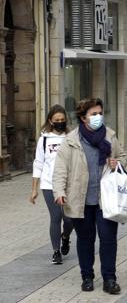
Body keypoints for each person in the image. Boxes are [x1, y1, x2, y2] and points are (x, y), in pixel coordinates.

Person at [53, 98, 126, 295]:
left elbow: (122, 156)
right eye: (94, 114)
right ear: (83, 117)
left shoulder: (110, 136)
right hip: (80, 199)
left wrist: (116, 163)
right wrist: (59, 192)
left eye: (100, 113)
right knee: (85, 240)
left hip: (106, 199)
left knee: (108, 238)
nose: (98, 117)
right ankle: (87, 276)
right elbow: (60, 170)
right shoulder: (71, 141)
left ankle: (110, 278)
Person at [30, 105, 73, 265]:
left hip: (69, 184)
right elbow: (38, 163)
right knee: (56, 217)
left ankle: (66, 236)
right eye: (57, 120)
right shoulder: (44, 139)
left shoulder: (71, 137)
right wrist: (34, 189)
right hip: (49, 184)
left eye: (62, 120)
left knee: (69, 219)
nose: (60, 122)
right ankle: (56, 251)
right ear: (50, 121)